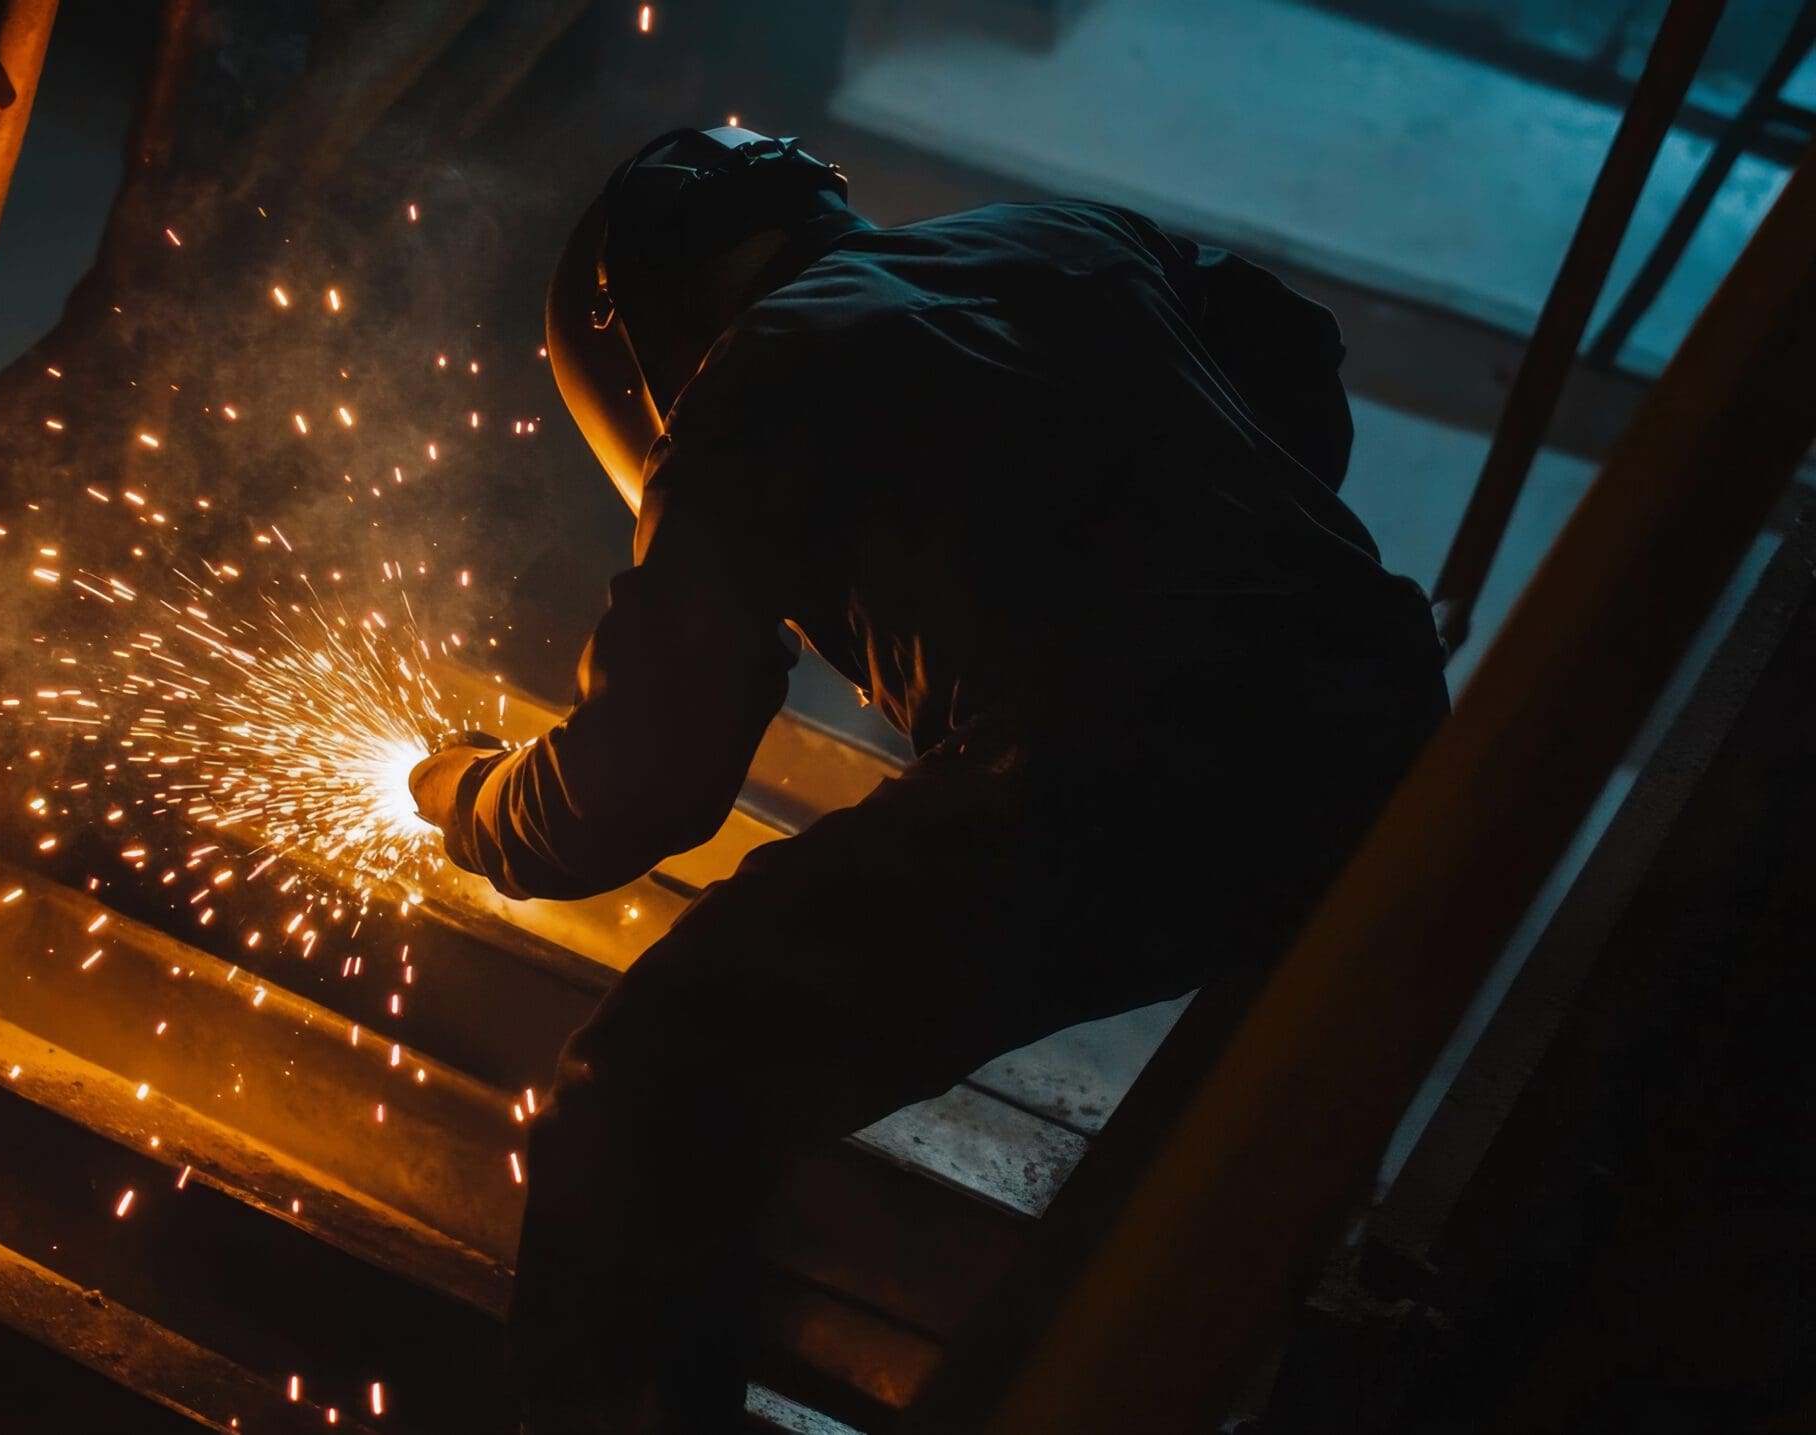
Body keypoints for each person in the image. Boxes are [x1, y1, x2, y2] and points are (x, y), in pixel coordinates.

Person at [407, 127, 1450, 1434]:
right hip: (1386, 703)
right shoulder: (1064, 233)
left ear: (638, 360)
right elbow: (1293, 353)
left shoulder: (746, 393)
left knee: (643, 1099)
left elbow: (639, 791)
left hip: (1115, 798)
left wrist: (469, 799)